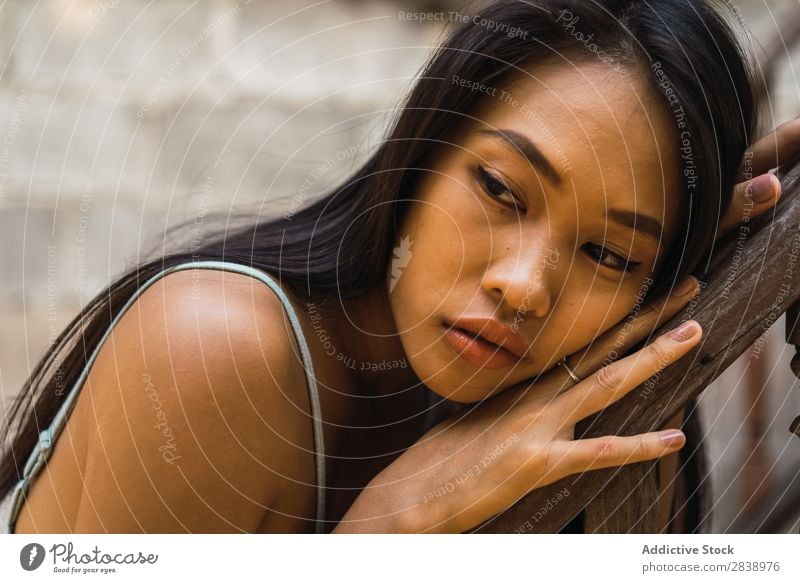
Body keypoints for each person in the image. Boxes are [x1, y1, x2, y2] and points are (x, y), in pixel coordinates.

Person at [2, 0, 798, 534]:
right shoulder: (215, 351)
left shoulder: (605, 438)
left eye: (610, 253)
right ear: (421, 155)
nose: (522, 286)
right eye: (499, 188)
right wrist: (381, 534)